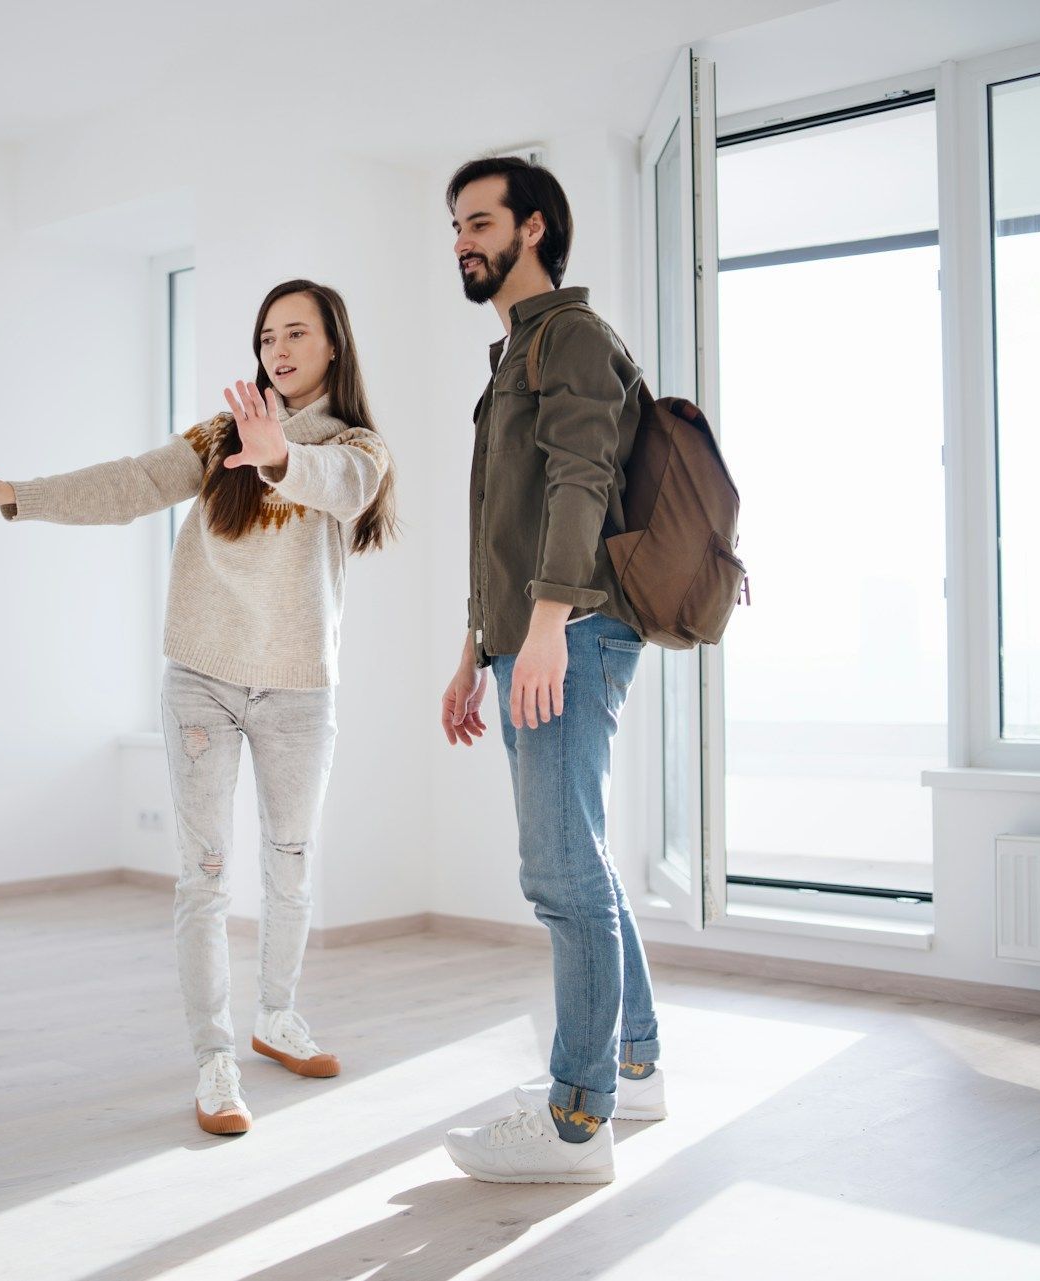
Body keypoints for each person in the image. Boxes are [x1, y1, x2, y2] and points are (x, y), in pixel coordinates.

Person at [0, 279, 396, 1136]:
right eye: (267, 337)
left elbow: (341, 485)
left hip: (300, 687)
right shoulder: (219, 436)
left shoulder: (361, 446)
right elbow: (132, 483)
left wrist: (280, 456)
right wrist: (15, 492)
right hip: (203, 679)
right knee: (208, 874)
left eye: (296, 333)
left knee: (291, 862)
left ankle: (277, 1016)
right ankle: (214, 1056)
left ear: (334, 344)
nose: (278, 350)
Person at [435, 156, 665, 1185]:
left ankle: (579, 1119)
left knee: (559, 875)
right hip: (532, 630)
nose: (462, 242)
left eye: (478, 222)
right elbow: (505, 522)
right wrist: (473, 649)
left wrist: (545, 629)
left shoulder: (569, 337)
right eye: (455, 226)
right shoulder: (517, 351)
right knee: (584, 862)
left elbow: (581, 482)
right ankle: (635, 1064)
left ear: (533, 228)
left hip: (568, 630)